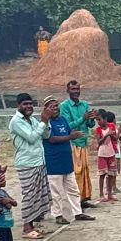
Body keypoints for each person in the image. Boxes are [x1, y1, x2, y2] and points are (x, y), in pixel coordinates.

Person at [40, 96, 93, 224]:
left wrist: (76, 134)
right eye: (51, 107)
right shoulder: (45, 124)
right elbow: (51, 139)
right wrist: (70, 136)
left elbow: (70, 132)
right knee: (56, 192)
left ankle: (78, 212)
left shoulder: (63, 119)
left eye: (56, 106)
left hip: (67, 161)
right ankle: (58, 215)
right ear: (46, 109)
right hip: (54, 162)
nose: (55, 109)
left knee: (73, 189)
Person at [9, 93, 53, 239]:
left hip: (39, 161)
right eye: (25, 104)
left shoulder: (33, 120)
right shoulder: (16, 121)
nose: (28, 107)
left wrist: (46, 122)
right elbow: (32, 137)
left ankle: (33, 225)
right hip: (27, 163)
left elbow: (46, 136)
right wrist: (43, 121)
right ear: (18, 105)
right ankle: (27, 228)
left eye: (30, 104)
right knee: (29, 195)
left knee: (39, 194)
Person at [59, 81, 99, 209]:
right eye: (73, 89)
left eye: (77, 89)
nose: (76, 91)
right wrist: (83, 118)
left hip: (84, 142)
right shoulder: (64, 106)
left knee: (85, 171)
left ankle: (84, 199)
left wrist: (92, 118)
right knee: (76, 172)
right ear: (68, 91)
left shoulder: (84, 104)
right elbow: (66, 126)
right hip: (72, 143)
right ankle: (76, 201)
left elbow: (90, 125)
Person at [95, 111, 119, 202]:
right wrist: (106, 135)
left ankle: (109, 193)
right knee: (102, 174)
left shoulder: (111, 126)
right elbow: (99, 142)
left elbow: (115, 138)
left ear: (105, 119)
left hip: (111, 152)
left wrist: (113, 134)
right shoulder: (98, 130)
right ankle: (101, 194)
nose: (98, 122)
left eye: (99, 119)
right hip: (102, 154)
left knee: (111, 174)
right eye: (97, 120)